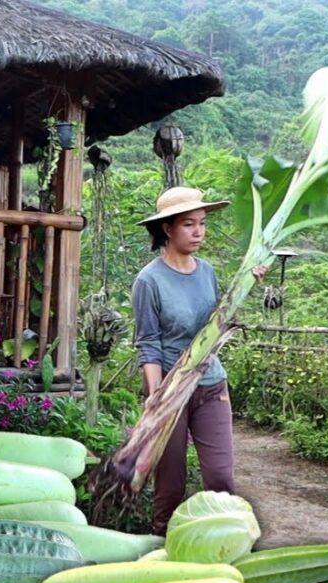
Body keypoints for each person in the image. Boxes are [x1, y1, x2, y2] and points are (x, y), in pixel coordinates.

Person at [131, 186, 266, 534]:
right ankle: (163, 544)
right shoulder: (149, 281)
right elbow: (149, 342)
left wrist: (248, 283)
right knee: (170, 482)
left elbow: (217, 321)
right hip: (172, 391)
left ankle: (224, 544)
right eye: (189, 224)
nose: (198, 232)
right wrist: (156, 397)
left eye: (202, 224)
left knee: (221, 476)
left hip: (211, 384)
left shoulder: (206, 272)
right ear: (167, 229)